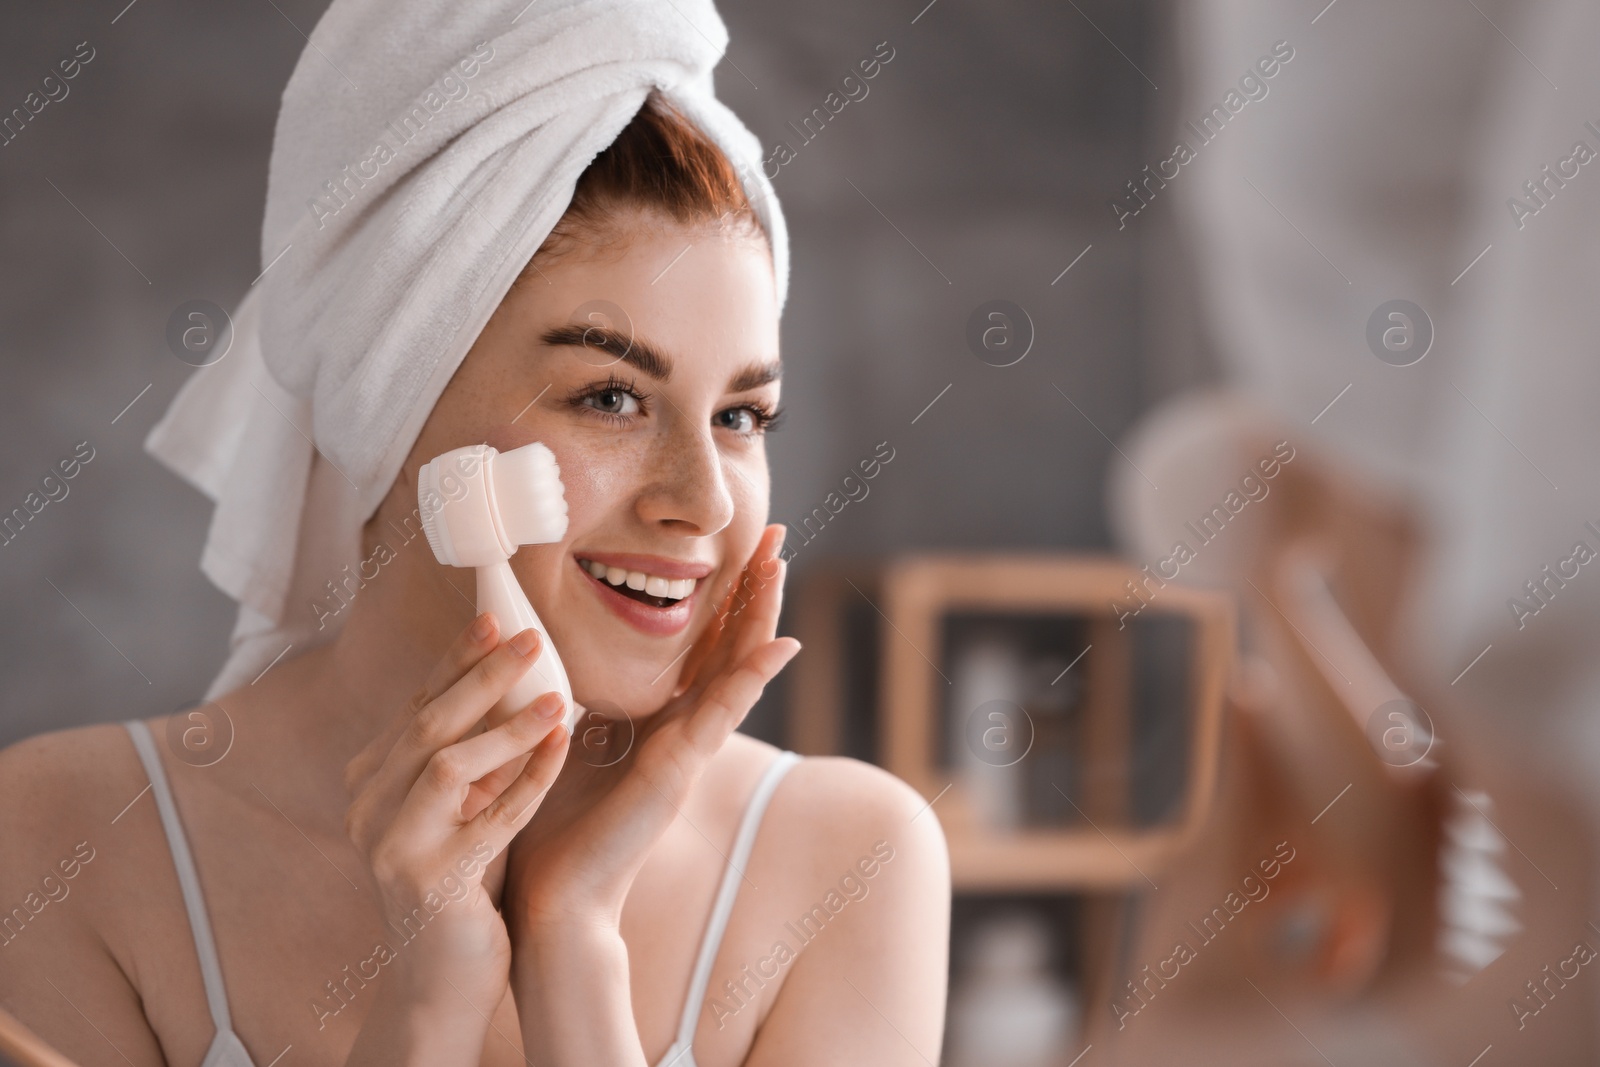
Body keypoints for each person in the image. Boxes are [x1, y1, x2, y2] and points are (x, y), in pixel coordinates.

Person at [0, 2, 950, 1063]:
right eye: (608, 396)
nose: (706, 500)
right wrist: (424, 1007)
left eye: (739, 416)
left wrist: (572, 940)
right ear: (392, 405)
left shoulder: (844, 859)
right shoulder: (66, 841)